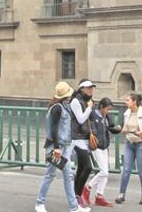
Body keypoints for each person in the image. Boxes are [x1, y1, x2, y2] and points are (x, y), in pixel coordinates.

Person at [35, 81, 89, 212]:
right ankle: (40, 203)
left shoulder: (63, 106)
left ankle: (74, 207)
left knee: (68, 176)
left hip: (63, 146)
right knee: (50, 174)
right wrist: (56, 147)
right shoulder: (57, 108)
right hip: (56, 147)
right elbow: (53, 129)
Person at [115, 92, 142, 205]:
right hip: (129, 143)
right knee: (126, 170)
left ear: (134, 102)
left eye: (128, 100)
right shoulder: (127, 113)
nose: (126, 102)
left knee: (141, 172)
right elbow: (125, 127)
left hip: (141, 144)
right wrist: (122, 129)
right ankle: (121, 194)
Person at [85, 97, 122, 207]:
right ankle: (87, 187)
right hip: (96, 146)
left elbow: (111, 128)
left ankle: (99, 196)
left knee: (106, 173)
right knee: (104, 172)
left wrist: (116, 129)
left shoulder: (107, 116)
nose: (108, 111)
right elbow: (91, 129)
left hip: (105, 146)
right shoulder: (93, 115)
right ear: (101, 107)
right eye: (107, 109)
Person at [70, 80, 96, 207]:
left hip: (85, 137)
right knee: (88, 167)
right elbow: (80, 119)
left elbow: (91, 118)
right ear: (81, 89)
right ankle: (77, 195)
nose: (91, 90)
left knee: (81, 168)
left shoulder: (87, 101)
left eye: (92, 88)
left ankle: (74, 196)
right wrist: (90, 108)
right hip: (77, 138)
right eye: (88, 88)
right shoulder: (76, 101)